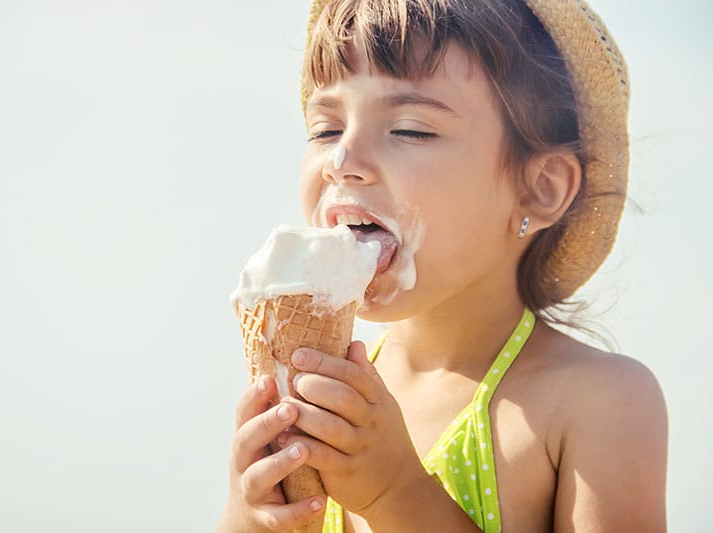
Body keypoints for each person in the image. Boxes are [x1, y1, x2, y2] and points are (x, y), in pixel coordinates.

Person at [218, 0, 668, 531]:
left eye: (410, 129)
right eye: (326, 129)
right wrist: (249, 516)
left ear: (538, 189)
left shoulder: (598, 402)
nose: (343, 161)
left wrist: (396, 494)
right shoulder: (317, 396)